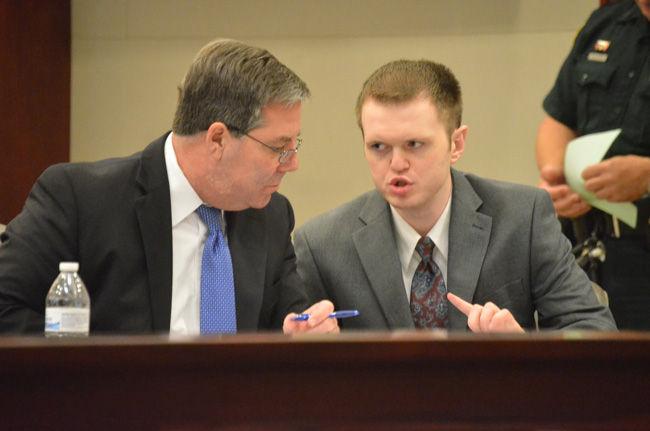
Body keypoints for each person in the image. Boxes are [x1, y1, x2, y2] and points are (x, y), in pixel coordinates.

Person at [0, 39, 337, 335]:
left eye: (295, 146)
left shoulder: (271, 216)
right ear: (218, 139)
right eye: (279, 148)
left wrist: (305, 339)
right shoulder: (80, 199)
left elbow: (290, 327)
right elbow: (6, 308)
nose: (292, 163)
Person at [294, 59, 616, 332]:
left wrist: (522, 349)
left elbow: (594, 331)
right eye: (379, 147)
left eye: (414, 145)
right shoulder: (322, 245)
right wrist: (306, 349)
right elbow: (288, 363)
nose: (396, 164)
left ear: (456, 145)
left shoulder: (523, 218)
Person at [536, 0, 650, 330]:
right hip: (590, 249)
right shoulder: (608, 22)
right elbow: (559, 120)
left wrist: (646, 177)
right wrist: (553, 176)